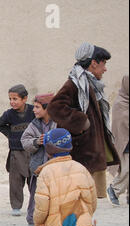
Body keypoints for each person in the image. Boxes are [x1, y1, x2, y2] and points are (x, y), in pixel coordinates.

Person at [47, 42, 120, 198]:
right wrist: (82, 122)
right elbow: (55, 107)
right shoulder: (74, 83)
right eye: (104, 63)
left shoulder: (90, 83)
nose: (105, 68)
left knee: (88, 199)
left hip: (92, 152)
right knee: (79, 198)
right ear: (93, 63)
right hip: (82, 152)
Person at [0, 84, 35, 216]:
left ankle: (36, 205)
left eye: (15, 99)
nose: (12, 102)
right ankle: (16, 206)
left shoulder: (32, 111)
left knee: (33, 180)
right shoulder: (9, 114)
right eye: (10, 99)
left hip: (32, 151)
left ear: (24, 99)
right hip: (16, 152)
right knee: (16, 180)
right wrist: (11, 135)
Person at [21, 94, 56, 226]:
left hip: (54, 166)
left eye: (37, 107)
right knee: (36, 194)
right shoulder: (34, 124)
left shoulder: (58, 122)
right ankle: (32, 220)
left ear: (47, 108)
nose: (34, 110)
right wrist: (36, 141)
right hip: (38, 167)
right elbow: (25, 140)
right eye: (34, 107)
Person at [107, 75, 129, 206]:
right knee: (126, 169)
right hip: (124, 141)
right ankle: (114, 189)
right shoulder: (120, 103)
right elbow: (122, 122)